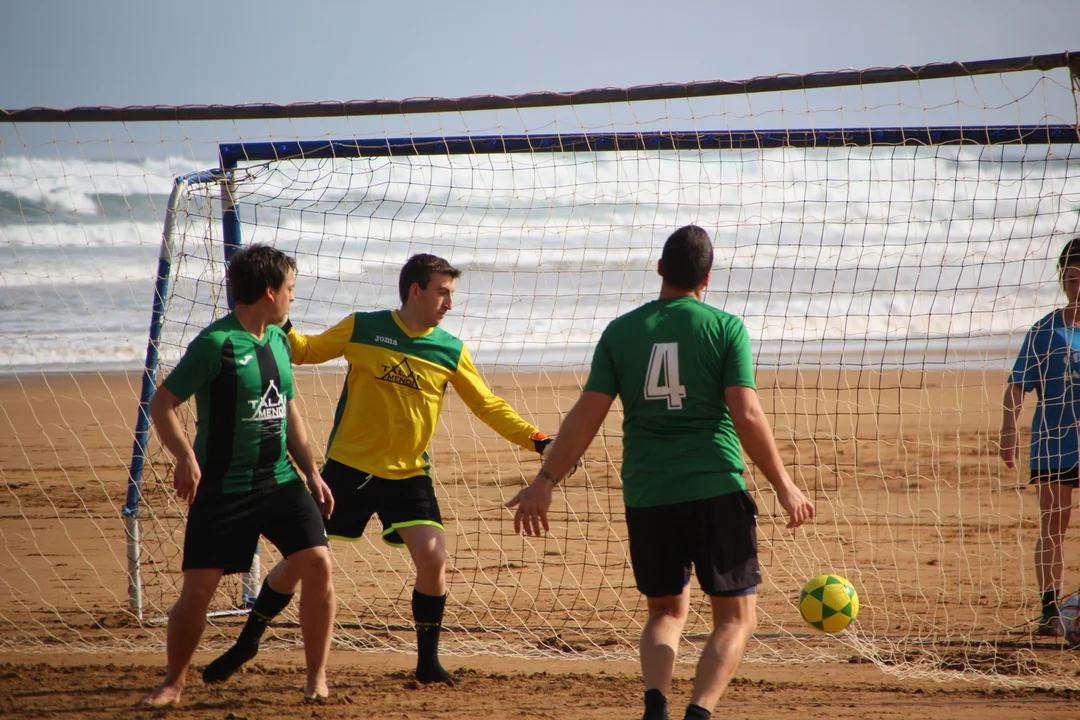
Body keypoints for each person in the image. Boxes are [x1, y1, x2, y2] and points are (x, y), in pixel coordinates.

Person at [206, 252, 561, 686]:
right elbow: (305, 351)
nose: (450, 303)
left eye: (451, 294)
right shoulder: (362, 327)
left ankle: (427, 663)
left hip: (408, 475)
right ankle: (248, 641)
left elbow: (487, 405)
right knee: (299, 561)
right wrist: (277, 312)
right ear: (415, 290)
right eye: (442, 293)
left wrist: (538, 440)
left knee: (433, 558)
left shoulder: (450, 349)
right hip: (347, 471)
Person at [506, 225, 815, 720]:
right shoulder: (725, 328)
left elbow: (586, 415)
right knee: (736, 618)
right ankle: (699, 713)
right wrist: (784, 484)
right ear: (707, 278)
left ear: (659, 270)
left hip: (648, 494)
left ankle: (656, 707)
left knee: (665, 612)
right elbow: (746, 414)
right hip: (715, 487)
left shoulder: (621, 331)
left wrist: (545, 481)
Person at [140, 244, 336, 707]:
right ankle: (173, 682)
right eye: (290, 288)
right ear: (269, 292)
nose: (293, 297)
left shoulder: (279, 340)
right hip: (223, 488)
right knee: (199, 591)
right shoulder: (216, 344)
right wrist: (185, 456)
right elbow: (163, 402)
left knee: (318, 563)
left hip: (279, 480)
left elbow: (289, 410)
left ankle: (316, 678)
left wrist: (311, 471)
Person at [999, 236, 1080, 638]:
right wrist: (1008, 429)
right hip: (1053, 443)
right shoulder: (1046, 330)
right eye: (1071, 278)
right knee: (1053, 526)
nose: (1077, 287)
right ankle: (1050, 608)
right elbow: (1017, 385)